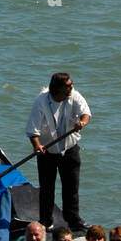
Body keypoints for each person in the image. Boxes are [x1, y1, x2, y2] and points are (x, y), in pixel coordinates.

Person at [26, 72, 91, 230]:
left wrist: (82, 122)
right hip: (46, 151)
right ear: (58, 88)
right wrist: (37, 145)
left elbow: (86, 113)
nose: (71, 87)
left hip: (69, 150)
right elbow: (32, 130)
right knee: (47, 188)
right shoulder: (40, 102)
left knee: (71, 187)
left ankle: (73, 219)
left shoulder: (74, 96)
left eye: (71, 84)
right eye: (68, 85)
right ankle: (46, 220)